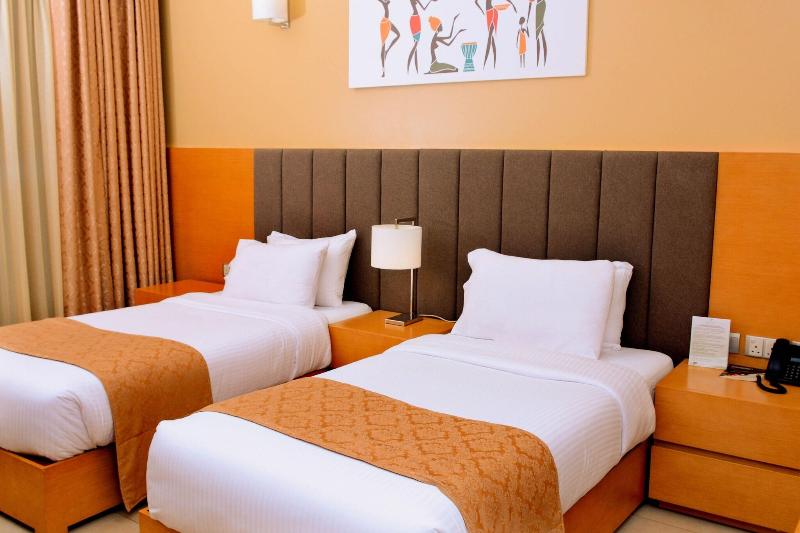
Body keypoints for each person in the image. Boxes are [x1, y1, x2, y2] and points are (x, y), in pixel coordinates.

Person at [474, 0, 517, 68]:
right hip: (489, 12)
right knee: (491, 38)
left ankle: (485, 62)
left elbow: (476, 2)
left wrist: (512, 4)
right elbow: (476, 2)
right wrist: (482, 11)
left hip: (492, 12)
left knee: (490, 37)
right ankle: (493, 62)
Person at [407, 0, 438, 74]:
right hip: (415, 19)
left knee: (416, 47)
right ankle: (408, 65)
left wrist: (430, 1)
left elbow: (424, 8)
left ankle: (416, 70)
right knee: (415, 45)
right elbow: (423, 8)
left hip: (416, 18)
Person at [376, 0, 401, 78]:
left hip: (388, 21)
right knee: (383, 44)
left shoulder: (387, 1)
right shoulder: (383, 1)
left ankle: (387, 51)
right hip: (384, 23)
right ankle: (383, 71)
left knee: (398, 34)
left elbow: (389, 1)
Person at [528, 0, 547, 65]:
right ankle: (540, 61)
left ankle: (540, 61)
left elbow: (530, 2)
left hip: (540, 5)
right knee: (539, 32)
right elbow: (530, 2)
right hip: (539, 5)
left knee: (539, 31)